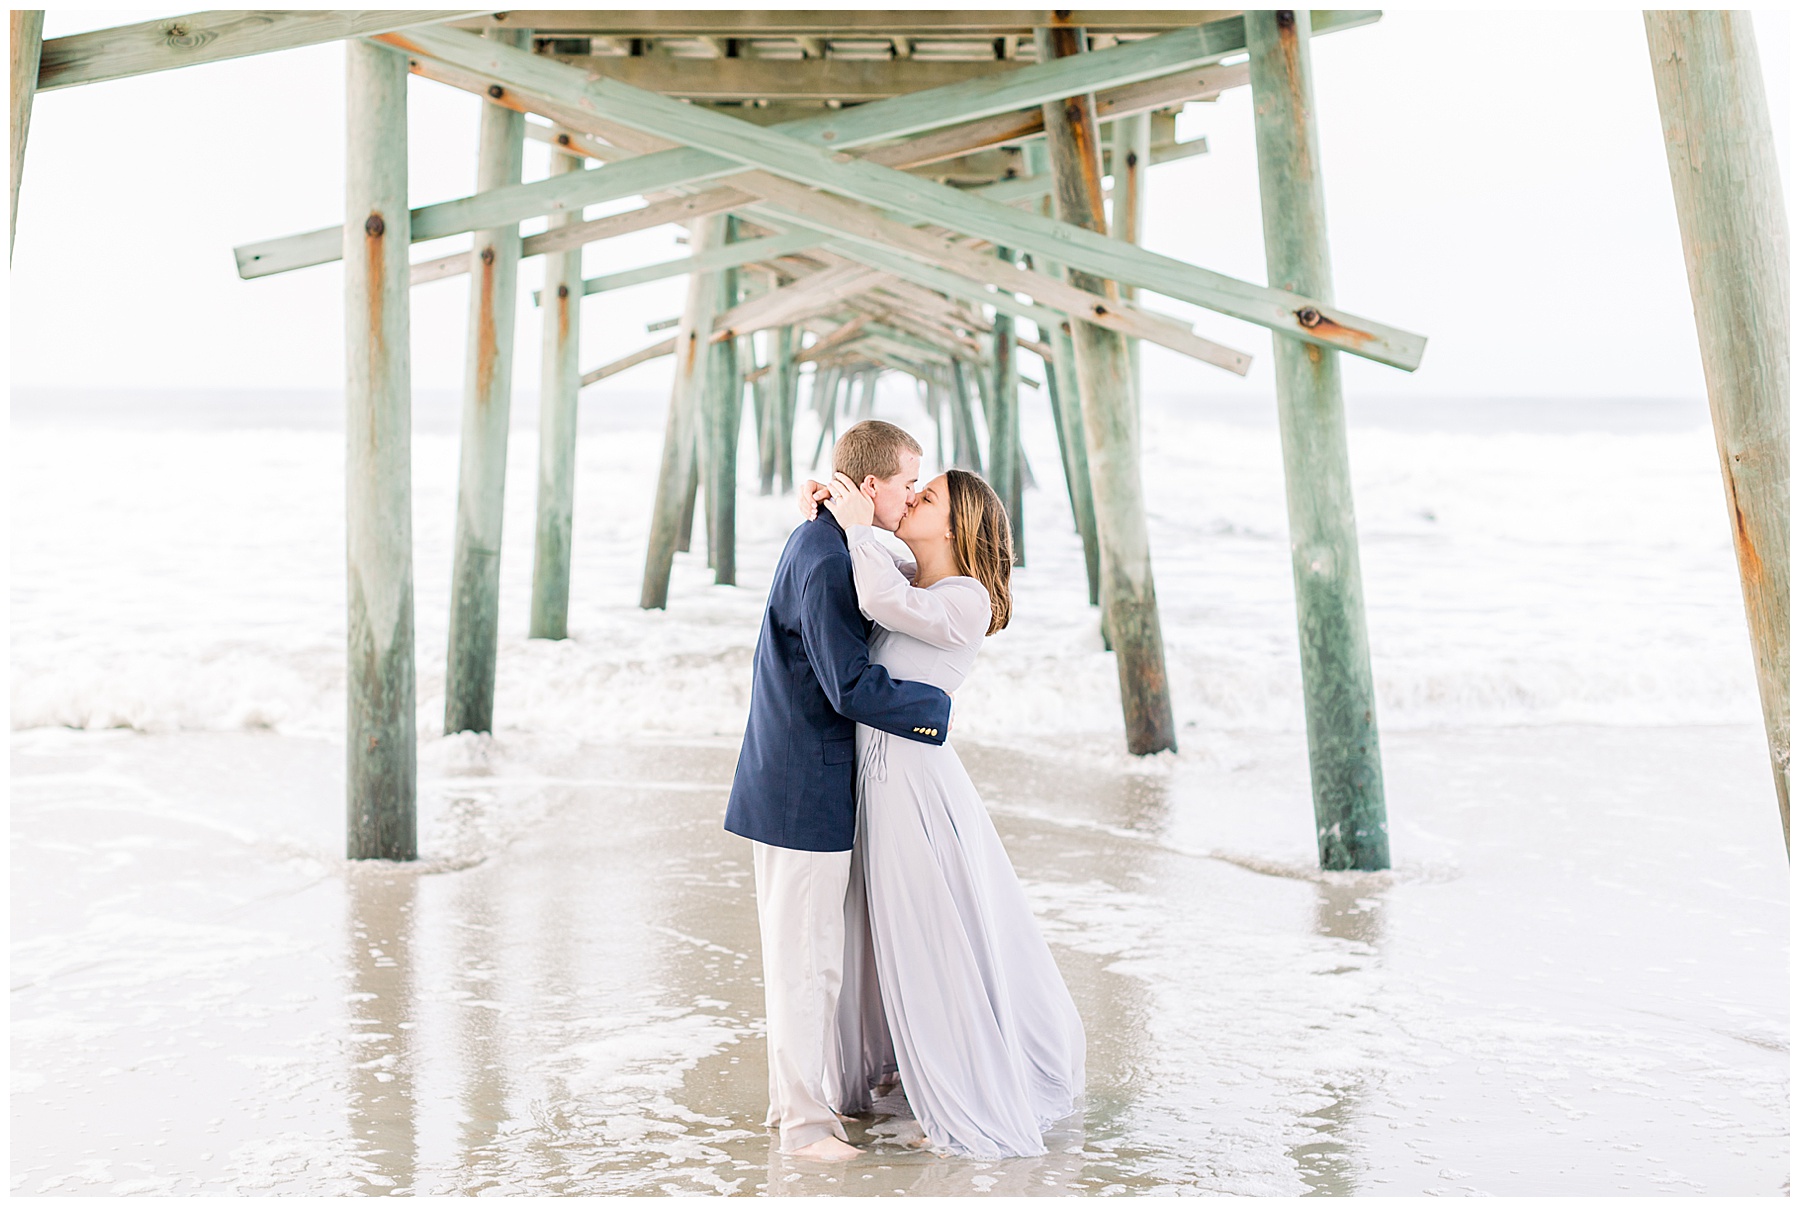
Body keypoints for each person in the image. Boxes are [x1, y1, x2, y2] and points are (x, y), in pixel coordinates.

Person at [805, 466, 1086, 1159]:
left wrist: (860, 528)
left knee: (930, 934)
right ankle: (913, 1066)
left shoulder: (964, 600)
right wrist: (832, 512)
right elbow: (870, 571)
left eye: (924, 496)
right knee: (898, 933)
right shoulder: (909, 569)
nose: (910, 498)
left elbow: (878, 597)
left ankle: (959, 1085)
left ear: (957, 525)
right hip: (882, 780)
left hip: (914, 787)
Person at [724, 420, 953, 1162]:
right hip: (801, 793)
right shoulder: (825, 559)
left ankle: (809, 1106)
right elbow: (848, 685)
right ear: (874, 485)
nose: (915, 495)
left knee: (816, 956)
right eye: (909, 483)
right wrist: (940, 709)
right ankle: (802, 1126)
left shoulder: (824, 541)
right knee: (807, 961)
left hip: (798, 784)